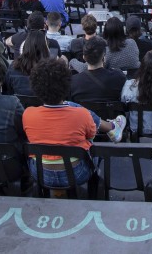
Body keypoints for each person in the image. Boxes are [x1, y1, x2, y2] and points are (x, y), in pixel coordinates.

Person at [21, 59, 126, 189]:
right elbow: (91, 136)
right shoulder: (81, 114)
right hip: (77, 173)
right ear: (66, 85)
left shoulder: (27, 114)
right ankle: (112, 128)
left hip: (41, 174)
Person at [69, 37, 126, 102]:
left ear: (84, 57)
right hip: (109, 112)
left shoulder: (73, 82)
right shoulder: (118, 77)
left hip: (84, 112)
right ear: (104, 56)